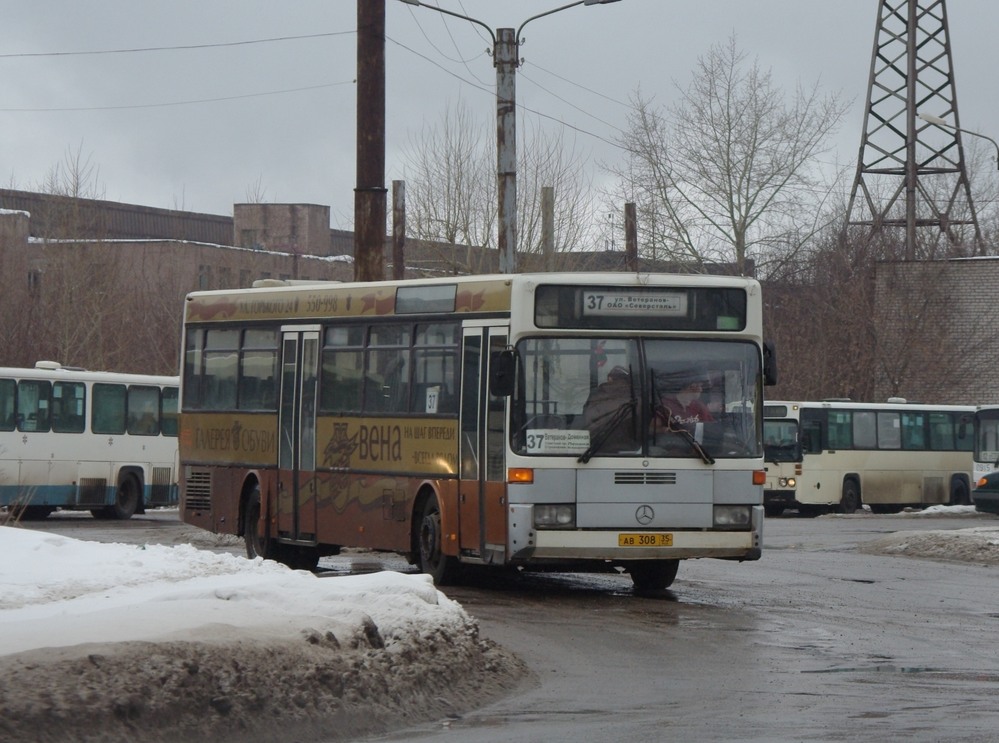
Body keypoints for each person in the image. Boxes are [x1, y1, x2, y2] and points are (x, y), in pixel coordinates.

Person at [582, 365, 637, 452]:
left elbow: (587, 420)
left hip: (596, 448)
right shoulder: (635, 397)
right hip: (629, 450)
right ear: (628, 381)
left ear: (609, 378)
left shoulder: (596, 395)